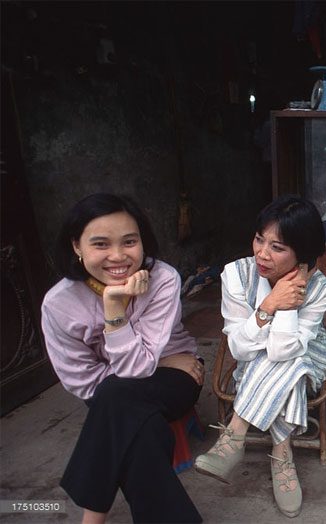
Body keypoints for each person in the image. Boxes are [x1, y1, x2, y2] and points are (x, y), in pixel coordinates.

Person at [41, 193, 204, 523]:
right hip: (124, 387)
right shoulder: (59, 305)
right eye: (100, 244)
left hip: (178, 379)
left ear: (142, 241)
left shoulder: (162, 280)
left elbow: (135, 368)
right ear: (76, 246)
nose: (118, 256)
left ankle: (91, 517)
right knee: (134, 422)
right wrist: (116, 308)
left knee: (116, 399)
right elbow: (84, 384)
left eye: (129, 241)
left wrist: (120, 322)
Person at [194, 195, 326, 518]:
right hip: (256, 363)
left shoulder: (321, 290)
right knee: (288, 370)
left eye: (278, 247)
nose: (262, 252)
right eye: (260, 239)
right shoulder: (235, 275)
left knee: (292, 361)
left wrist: (286, 301)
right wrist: (270, 304)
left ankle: (234, 437)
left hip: (310, 355)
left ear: (303, 254)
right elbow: (239, 349)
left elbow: (282, 349)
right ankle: (283, 454)